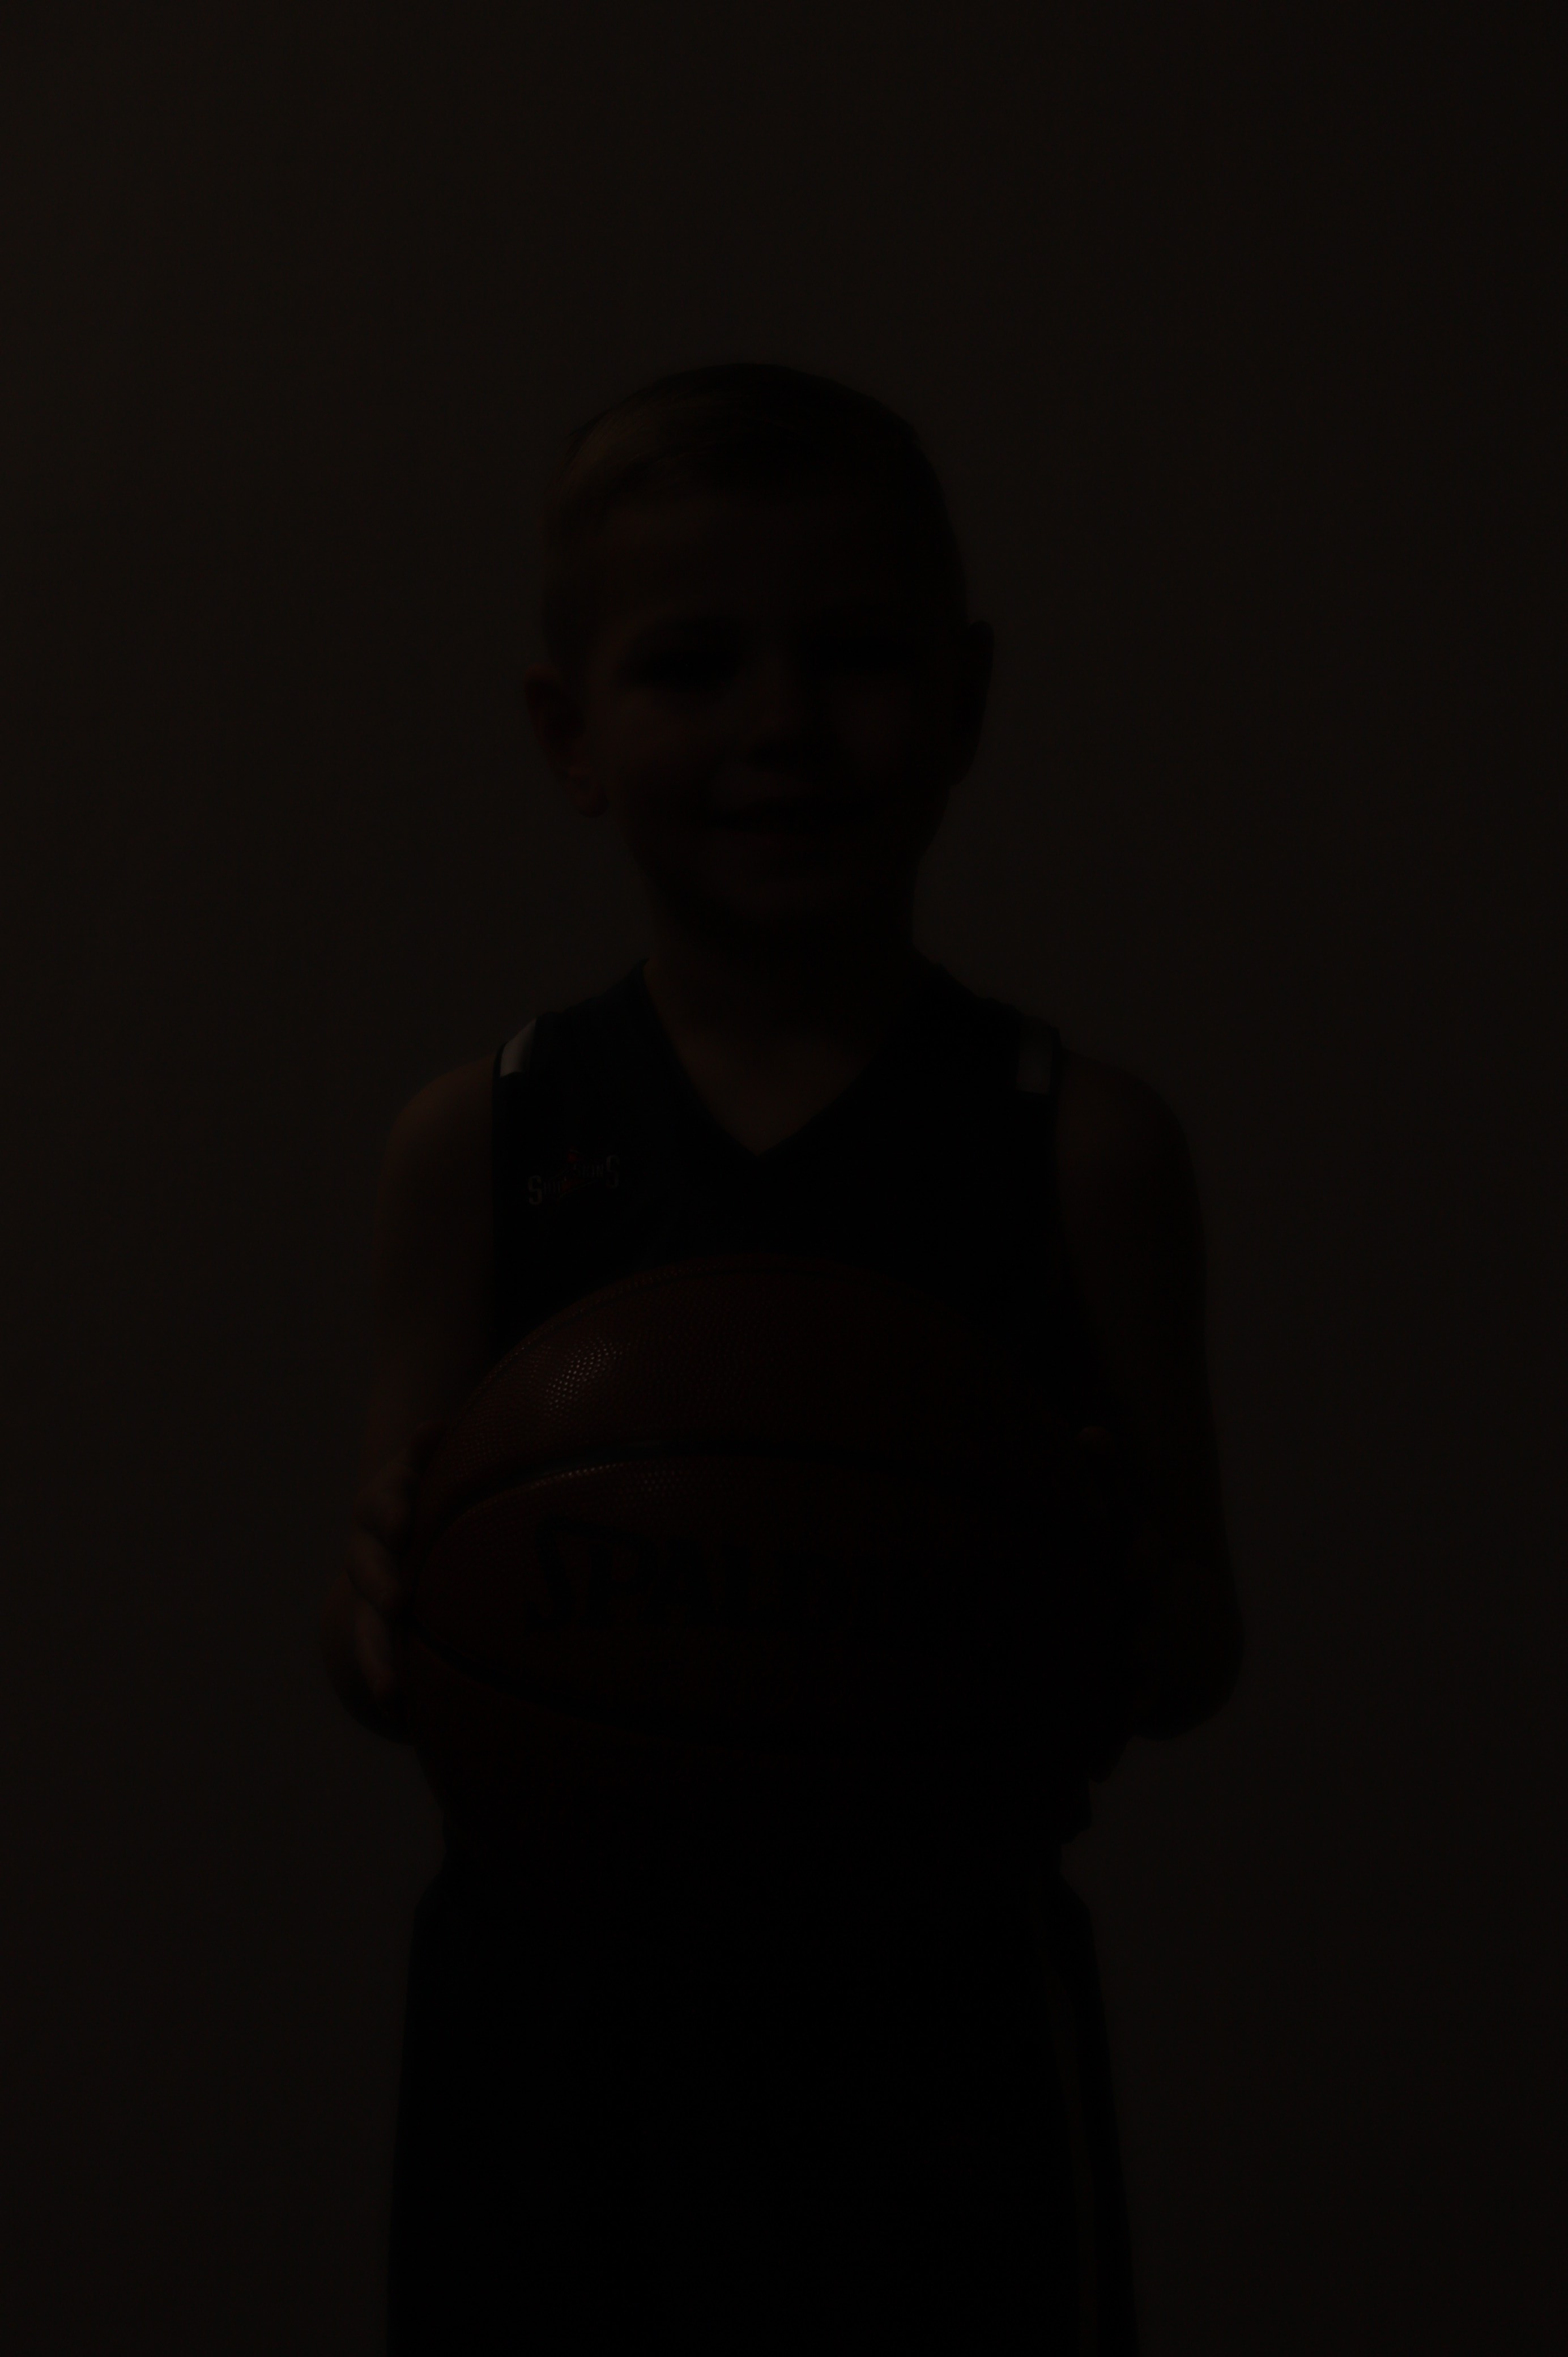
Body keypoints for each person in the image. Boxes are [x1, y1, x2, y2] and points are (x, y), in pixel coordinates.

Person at [319, 363, 1243, 2355]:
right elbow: (384, 1658)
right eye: (691, 667)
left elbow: (1197, 1645)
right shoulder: (481, 1139)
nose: (782, 726)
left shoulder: (1078, 1144)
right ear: (568, 735)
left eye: (857, 657)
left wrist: (1092, 1586)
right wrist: (395, 1580)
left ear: (967, 699)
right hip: (553, 2031)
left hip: (937, 2029)